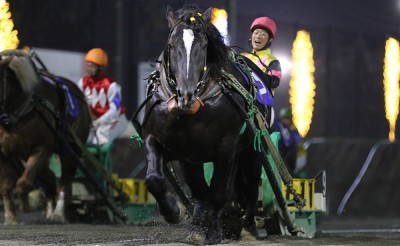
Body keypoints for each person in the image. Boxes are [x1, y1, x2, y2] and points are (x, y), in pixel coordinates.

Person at [78, 48, 128, 145]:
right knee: (85, 140)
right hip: (95, 123)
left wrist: (99, 122)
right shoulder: (82, 83)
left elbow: (115, 110)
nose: (88, 69)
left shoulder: (112, 86)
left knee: (101, 138)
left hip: (115, 120)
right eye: (88, 65)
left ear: (100, 68)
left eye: (91, 66)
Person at [242, 16, 282, 95]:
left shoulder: (273, 61)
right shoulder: (242, 56)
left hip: (261, 104)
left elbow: (274, 82)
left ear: (270, 40)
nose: (258, 36)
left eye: (263, 34)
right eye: (256, 33)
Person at [272, 107, 307, 177]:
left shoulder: (293, 130)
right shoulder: (277, 126)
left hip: (297, 157)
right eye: (284, 118)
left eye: (288, 118)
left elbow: (296, 144)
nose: (286, 120)